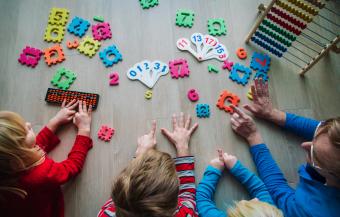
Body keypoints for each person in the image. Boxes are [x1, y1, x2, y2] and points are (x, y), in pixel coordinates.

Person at [230, 78, 340, 217]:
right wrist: (273, 114)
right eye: (315, 137)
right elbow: (326, 133)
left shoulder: (310, 211)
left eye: (315, 154)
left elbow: (278, 191)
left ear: (332, 175)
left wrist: (253, 137)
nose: (304, 145)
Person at [0, 100, 93, 217]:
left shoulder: (9, 163)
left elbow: (32, 146)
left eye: (24, 124)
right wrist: (84, 130)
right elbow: (71, 167)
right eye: (25, 132)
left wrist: (56, 121)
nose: (28, 124)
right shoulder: (42, 175)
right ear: (17, 162)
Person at [97, 113, 199, 217]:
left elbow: (125, 195)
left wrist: (140, 156)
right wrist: (182, 147)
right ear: (175, 204)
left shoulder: (106, 213)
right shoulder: (185, 213)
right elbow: (187, 197)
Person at [196, 149, 283, 217]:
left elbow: (202, 199)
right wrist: (236, 167)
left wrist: (214, 170)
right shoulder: (268, 212)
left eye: (250, 203)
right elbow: (260, 190)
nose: (257, 199)